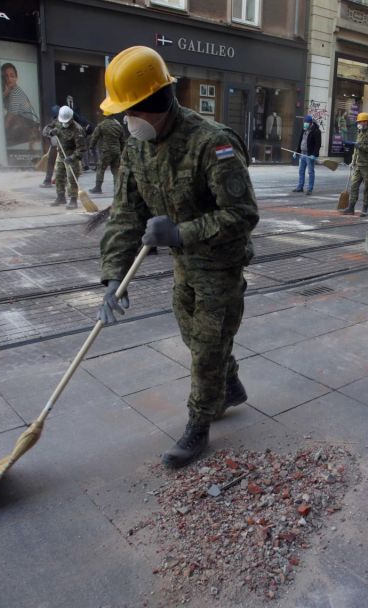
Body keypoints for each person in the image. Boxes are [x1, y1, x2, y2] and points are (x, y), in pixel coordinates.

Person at [97, 46, 258, 469]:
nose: (125, 121)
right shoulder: (136, 149)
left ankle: (198, 425)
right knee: (193, 335)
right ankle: (230, 382)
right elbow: (125, 214)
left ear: (157, 102)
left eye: (130, 111)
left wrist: (178, 233)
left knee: (206, 346)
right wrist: (115, 276)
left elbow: (242, 215)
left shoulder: (212, 142)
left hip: (220, 264)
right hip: (185, 266)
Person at [42, 106, 86, 210]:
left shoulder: (77, 130)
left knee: (72, 179)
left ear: (71, 118)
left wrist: (72, 157)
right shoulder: (58, 122)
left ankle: (73, 199)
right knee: (58, 176)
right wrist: (50, 132)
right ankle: (60, 197)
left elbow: (81, 149)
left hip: (72, 157)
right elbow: (46, 129)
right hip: (60, 154)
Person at [341, 112, 368, 216]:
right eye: (358, 122)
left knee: (366, 188)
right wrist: (352, 162)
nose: (359, 124)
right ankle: (351, 207)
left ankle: (364, 209)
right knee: (354, 186)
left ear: (366, 122)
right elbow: (356, 151)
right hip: (358, 165)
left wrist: (359, 146)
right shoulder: (360, 134)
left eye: (361, 122)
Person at [1, 62, 39, 147]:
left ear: (16, 77)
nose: (9, 79)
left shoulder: (16, 94)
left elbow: (8, 120)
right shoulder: (10, 92)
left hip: (24, 134)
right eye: (6, 76)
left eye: (12, 76)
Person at [89, 113, 124, 195]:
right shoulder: (118, 125)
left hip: (106, 151)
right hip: (117, 151)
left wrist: (91, 147)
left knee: (101, 168)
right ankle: (117, 188)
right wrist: (122, 150)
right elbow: (122, 140)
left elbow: (95, 137)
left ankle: (98, 187)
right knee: (116, 170)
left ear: (105, 115)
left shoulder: (102, 125)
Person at [292, 114, 321, 195]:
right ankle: (300, 187)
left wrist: (314, 155)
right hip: (302, 153)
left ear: (311, 123)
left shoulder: (316, 131)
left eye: (306, 123)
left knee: (310, 172)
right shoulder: (304, 129)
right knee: (301, 171)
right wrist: (296, 151)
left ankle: (310, 189)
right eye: (304, 122)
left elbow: (318, 144)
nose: (305, 124)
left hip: (309, 154)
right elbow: (300, 140)